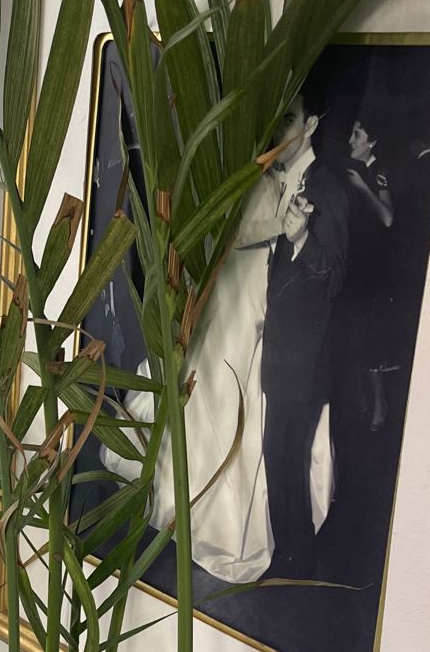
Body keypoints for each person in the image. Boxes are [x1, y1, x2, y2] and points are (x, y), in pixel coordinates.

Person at [98, 92, 345, 584]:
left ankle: (226, 513)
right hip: (236, 292)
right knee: (211, 379)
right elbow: (232, 231)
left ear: (311, 125)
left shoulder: (303, 181)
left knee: (239, 394)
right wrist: (280, 222)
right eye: (276, 123)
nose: (279, 134)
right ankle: (184, 498)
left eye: (290, 121)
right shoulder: (257, 176)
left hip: (259, 305)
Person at [340, 118, 396, 430]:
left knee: (370, 341)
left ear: (371, 143)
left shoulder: (380, 173)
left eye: (357, 134)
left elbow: (387, 218)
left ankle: (380, 403)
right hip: (352, 265)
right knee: (352, 335)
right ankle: (361, 401)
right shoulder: (349, 170)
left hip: (373, 271)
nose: (350, 139)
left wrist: (364, 190)